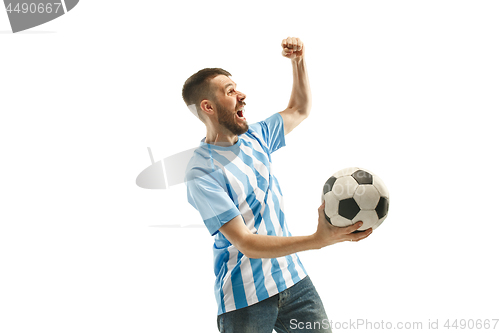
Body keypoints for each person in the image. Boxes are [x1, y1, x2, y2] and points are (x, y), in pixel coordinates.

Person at [182, 37, 372, 333]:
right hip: (245, 298)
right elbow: (246, 242)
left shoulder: (257, 137)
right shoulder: (200, 172)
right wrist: (318, 239)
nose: (242, 95)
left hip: (293, 280)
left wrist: (298, 62)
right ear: (208, 106)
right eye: (230, 91)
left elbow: (299, 108)